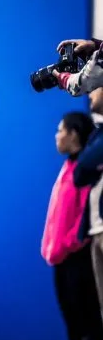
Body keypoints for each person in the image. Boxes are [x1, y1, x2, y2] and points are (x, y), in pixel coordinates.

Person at [42, 111, 103, 340]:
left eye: (60, 130)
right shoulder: (67, 167)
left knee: (88, 327)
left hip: (78, 258)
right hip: (61, 260)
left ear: (74, 134)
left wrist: (71, 243)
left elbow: (84, 212)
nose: (57, 136)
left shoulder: (86, 169)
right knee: (73, 328)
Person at [74, 88, 103, 323]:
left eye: (95, 87)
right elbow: (81, 172)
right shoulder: (97, 133)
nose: (90, 94)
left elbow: (88, 161)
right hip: (95, 230)